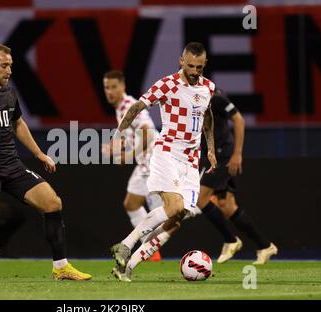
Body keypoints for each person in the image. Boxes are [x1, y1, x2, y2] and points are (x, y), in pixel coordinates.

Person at [0, 44, 91, 283]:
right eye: (4, 66)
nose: (9, 71)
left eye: (11, 66)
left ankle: (61, 268)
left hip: (12, 165)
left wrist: (39, 154)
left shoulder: (9, 92)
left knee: (52, 202)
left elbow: (18, 124)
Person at [110, 42, 217, 282]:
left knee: (177, 220)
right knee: (174, 207)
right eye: (190, 65)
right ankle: (126, 244)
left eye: (199, 67)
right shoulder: (166, 84)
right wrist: (117, 135)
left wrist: (210, 148)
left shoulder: (208, 88)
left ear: (205, 65)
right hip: (167, 152)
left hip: (191, 161)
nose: (194, 71)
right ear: (181, 61)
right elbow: (138, 107)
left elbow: (207, 116)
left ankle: (127, 267)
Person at [196, 88, 277, 265]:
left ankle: (231, 240)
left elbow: (238, 119)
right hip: (213, 155)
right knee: (227, 205)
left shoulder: (215, 97)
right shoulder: (190, 95)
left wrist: (237, 154)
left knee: (201, 199)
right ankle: (265, 246)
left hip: (224, 156)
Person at [102, 70, 163, 262]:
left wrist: (127, 155)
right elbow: (136, 134)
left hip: (155, 163)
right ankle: (151, 250)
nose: (110, 91)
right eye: (106, 88)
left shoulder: (129, 105)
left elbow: (148, 134)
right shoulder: (120, 108)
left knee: (169, 215)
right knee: (131, 203)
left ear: (123, 87)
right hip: (144, 164)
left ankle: (202, 201)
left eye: (114, 87)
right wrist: (119, 147)